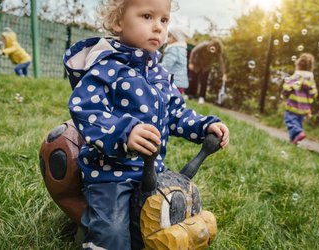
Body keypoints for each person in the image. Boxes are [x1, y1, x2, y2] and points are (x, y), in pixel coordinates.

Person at [62, 0, 230, 249]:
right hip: (110, 174)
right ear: (118, 22)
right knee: (114, 232)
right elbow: (86, 109)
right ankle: (95, 236)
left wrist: (204, 126)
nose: (158, 28)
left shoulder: (160, 75)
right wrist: (125, 132)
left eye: (164, 20)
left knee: (163, 228)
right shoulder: (107, 68)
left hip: (153, 174)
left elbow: (176, 114)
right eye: (147, 16)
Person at [281, 53, 318, 144]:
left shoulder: (296, 76)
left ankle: (298, 133)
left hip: (293, 104)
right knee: (298, 122)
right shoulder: (311, 80)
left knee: (289, 120)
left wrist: (285, 92)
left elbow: (287, 87)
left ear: (298, 65)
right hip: (304, 108)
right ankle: (293, 140)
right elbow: (314, 93)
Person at [188, 39, 227, 104]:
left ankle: (201, 97)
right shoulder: (203, 45)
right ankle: (191, 95)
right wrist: (191, 63)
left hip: (206, 66)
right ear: (209, 45)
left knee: (204, 82)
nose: (212, 50)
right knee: (194, 80)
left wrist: (224, 74)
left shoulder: (217, 52)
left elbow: (221, 62)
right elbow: (193, 51)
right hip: (197, 63)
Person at [160, 25, 190, 95]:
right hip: (180, 82)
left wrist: (154, 65)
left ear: (176, 38)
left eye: (169, 36)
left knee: (166, 100)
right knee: (174, 102)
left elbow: (166, 66)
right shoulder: (181, 49)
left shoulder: (174, 49)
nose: (167, 38)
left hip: (174, 82)